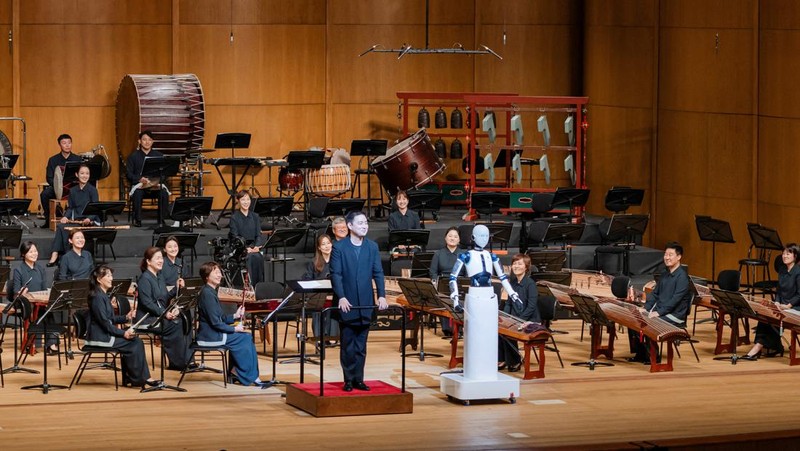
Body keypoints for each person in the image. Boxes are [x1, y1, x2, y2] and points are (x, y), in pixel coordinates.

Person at [330, 210, 388, 392]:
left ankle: (359, 379)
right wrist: (342, 297)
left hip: (365, 301)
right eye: (360, 223)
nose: (364, 226)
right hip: (346, 302)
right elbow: (336, 275)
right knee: (348, 344)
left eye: (366, 223)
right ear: (350, 226)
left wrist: (382, 295)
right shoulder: (339, 247)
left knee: (361, 345)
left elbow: (378, 272)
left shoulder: (372, 247)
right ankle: (348, 379)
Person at [196, 261, 271, 388]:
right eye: (216, 272)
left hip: (214, 332)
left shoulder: (210, 292)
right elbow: (215, 323)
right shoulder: (207, 294)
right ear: (207, 276)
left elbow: (220, 318)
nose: (219, 275)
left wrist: (235, 316)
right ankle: (247, 376)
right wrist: (235, 329)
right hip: (210, 336)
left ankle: (239, 372)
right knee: (244, 338)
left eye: (219, 272)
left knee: (247, 337)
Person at [85, 265, 160, 388]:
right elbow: (104, 323)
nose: (111, 278)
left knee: (135, 341)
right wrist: (123, 333)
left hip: (104, 333)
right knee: (135, 342)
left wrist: (126, 317)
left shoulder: (102, 295)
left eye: (111, 275)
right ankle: (141, 379)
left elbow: (109, 319)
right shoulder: (97, 297)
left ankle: (132, 378)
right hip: (100, 337)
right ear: (99, 279)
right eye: (108, 276)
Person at [628, 241, 692, 363]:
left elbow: (675, 301)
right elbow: (655, 294)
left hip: (675, 315)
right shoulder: (665, 274)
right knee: (634, 319)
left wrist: (659, 313)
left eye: (670, 255)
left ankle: (653, 356)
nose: (667, 257)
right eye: (665, 254)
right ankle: (641, 353)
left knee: (647, 321)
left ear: (679, 257)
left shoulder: (682, 278)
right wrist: (646, 308)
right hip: (662, 311)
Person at [134, 246, 193, 370]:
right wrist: (164, 313)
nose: (161, 261)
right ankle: (177, 363)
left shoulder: (159, 276)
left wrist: (177, 288)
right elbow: (147, 303)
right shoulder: (144, 279)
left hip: (158, 315)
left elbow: (164, 297)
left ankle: (188, 359)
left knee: (184, 320)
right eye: (157, 258)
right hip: (146, 319)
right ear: (148, 261)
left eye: (161, 258)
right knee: (174, 325)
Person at [743, 243, 800, 360]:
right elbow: (778, 291)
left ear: (795, 256)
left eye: (788, 254)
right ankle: (771, 345)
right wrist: (777, 302)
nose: (784, 256)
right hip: (782, 304)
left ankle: (758, 348)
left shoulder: (798, 272)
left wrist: (788, 305)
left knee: (774, 317)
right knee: (764, 315)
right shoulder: (782, 270)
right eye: (783, 253)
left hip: (795, 307)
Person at [47, 164, 99, 266]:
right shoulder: (73, 190)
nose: (85, 176)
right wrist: (66, 217)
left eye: (87, 173)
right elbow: (71, 208)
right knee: (61, 227)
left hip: (89, 221)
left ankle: (66, 257)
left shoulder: (93, 190)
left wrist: (89, 219)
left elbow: (96, 209)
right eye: (82, 173)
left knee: (68, 229)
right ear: (77, 175)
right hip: (77, 220)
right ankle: (55, 254)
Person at [11, 241, 58, 353]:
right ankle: (31, 343)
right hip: (25, 302)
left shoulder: (40, 269)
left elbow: (43, 289)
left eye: (35, 251)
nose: (34, 254)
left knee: (48, 313)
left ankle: (50, 344)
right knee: (37, 313)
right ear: (23, 254)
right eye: (31, 251)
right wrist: (21, 292)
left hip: (38, 301)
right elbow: (16, 291)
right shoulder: (19, 270)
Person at [498, 253, 541, 371]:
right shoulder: (512, 283)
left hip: (530, 319)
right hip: (516, 317)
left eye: (519, 263)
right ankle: (502, 359)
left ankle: (515, 361)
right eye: (514, 263)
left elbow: (531, 307)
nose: (516, 266)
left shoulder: (530, 284)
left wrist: (519, 320)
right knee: (500, 329)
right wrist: (505, 318)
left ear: (526, 267)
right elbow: (508, 304)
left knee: (509, 332)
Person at [126, 130, 169, 227]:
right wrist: (140, 179)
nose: (147, 142)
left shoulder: (159, 156)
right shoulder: (133, 156)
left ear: (152, 142)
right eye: (144, 140)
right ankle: (138, 220)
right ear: (139, 141)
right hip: (140, 185)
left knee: (164, 193)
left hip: (155, 185)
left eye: (149, 140)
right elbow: (129, 174)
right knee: (137, 193)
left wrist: (157, 182)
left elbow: (164, 174)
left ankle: (161, 220)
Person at [40, 133, 82, 229]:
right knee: (45, 194)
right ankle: (48, 220)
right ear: (59, 145)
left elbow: (80, 175)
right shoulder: (53, 160)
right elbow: (49, 177)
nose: (67, 145)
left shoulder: (77, 159)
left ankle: (79, 218)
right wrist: (58, 187)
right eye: (64, 143)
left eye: (69, 143)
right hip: (57, 188)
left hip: (73, 187)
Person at [303, 234, 339, 343]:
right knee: (317, 304)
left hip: (334, 295)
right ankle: (319, 337)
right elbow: (308, 279)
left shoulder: (337, 260)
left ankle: (333, 337)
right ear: (319, 247)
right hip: (318, 296)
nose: (326, 246)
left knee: (334, 305)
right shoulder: (313, 262)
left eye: (328, 243)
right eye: (323, 244)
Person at [229, 191, 265, 287]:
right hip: (241, 247)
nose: (246, 202)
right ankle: (250, 286)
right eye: (243, 199)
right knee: (251, 257)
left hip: (253, 247)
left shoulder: (255, 216)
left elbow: (258, 234)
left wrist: (257, 246)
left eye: (248, 199)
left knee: (258, 257)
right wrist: (245, 248)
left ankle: (259, 286)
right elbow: (235, 236)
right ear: (238, 201)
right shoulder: (234, 217)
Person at [430, 226, 461, 338]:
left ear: (459, 240)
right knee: (443, 298)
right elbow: (433, 272)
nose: (452, 238)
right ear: (445, 238)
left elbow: (467, 272)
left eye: (455, 236)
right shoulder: (438, 254)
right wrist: (436, 282)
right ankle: (447, 329)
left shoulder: (463, 255)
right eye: (450, 236)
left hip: (459, 283)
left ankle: (459, 328)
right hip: (443, 283)